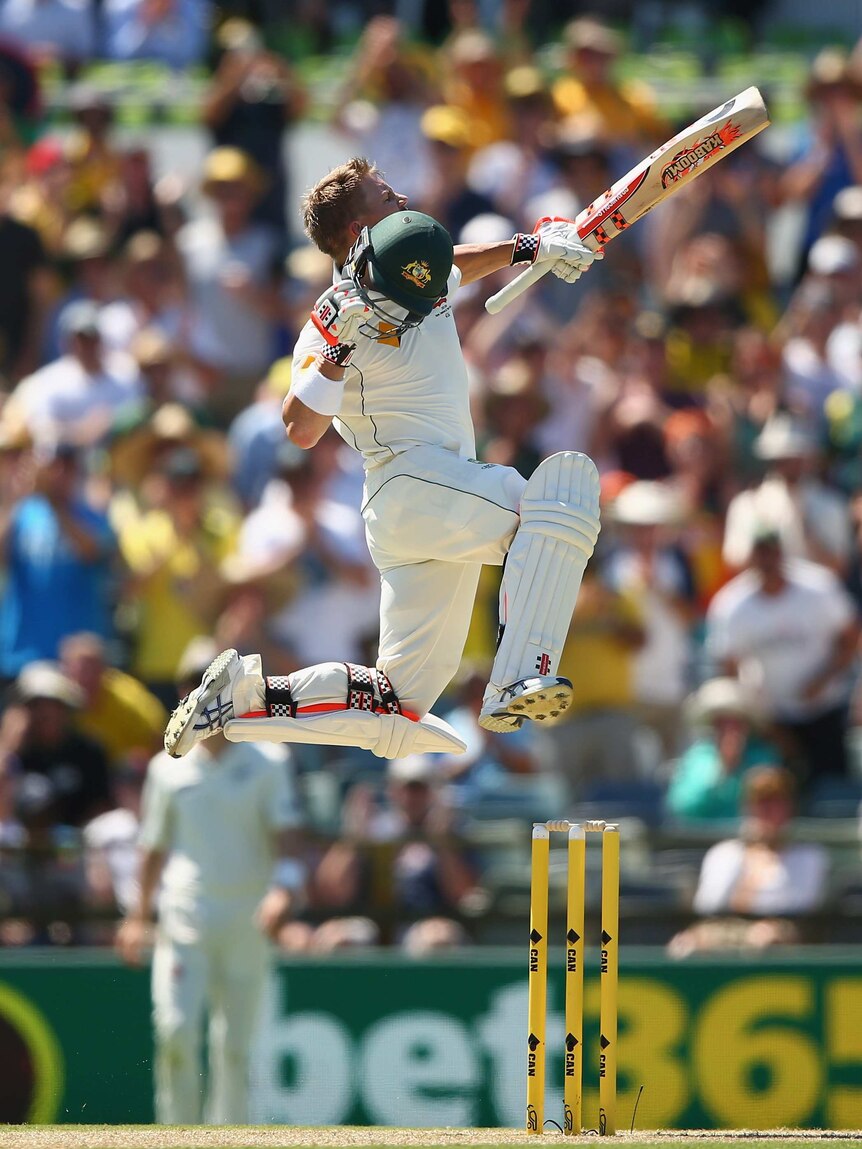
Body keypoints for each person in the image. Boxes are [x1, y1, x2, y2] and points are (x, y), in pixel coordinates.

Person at [164, 158, 602, 764]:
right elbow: (298, 428)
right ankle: (523, 673)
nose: (401, 194)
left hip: (427, 502)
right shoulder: (330, 319)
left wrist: (529, 247)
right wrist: (339, 349)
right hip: (411, 480)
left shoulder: (413, 272)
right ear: (355, 232)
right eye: (383, 193)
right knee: (557, 502)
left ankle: (243, 702)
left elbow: (456, 266)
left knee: (396, 707)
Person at [115, 640, 305, 1125]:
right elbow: (153, 847)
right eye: (195, 682)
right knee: (176, 1031)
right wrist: (138, 916)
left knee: (235, 1048)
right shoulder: (166, 768)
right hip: (185, 917)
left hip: (248, 919)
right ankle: (176, 1134)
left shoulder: (270, 761)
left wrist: (283, 889)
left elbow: (287, 839)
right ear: (183, 693)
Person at [707, 529, 861, 784]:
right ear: (751, 557)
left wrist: (822, 678)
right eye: (760, 553)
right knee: (776, 791)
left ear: (781, 553)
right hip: (772, 719)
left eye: (771, 552)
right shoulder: (732, 604)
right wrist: (760, 717)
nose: (767, 560)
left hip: (826, 710)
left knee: (831, 788)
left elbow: (850, 636)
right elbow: (728, 668)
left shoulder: (818, 587)